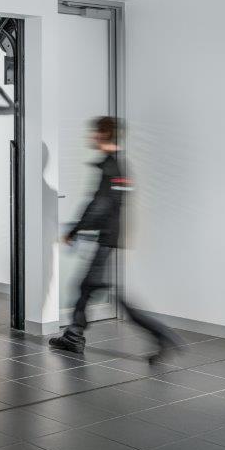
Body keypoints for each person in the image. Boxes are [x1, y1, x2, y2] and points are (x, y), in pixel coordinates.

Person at [49, 115, 179, 362]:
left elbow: (99, 205)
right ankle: (73, 336)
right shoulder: (118, 165)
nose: (91, 136)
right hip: (111, 238)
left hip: (108, 240)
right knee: (87, 287)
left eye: (94, 132)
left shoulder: (110, 167)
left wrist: (75, 231)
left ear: (102, 134)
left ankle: (161, 335)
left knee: (105, 293)